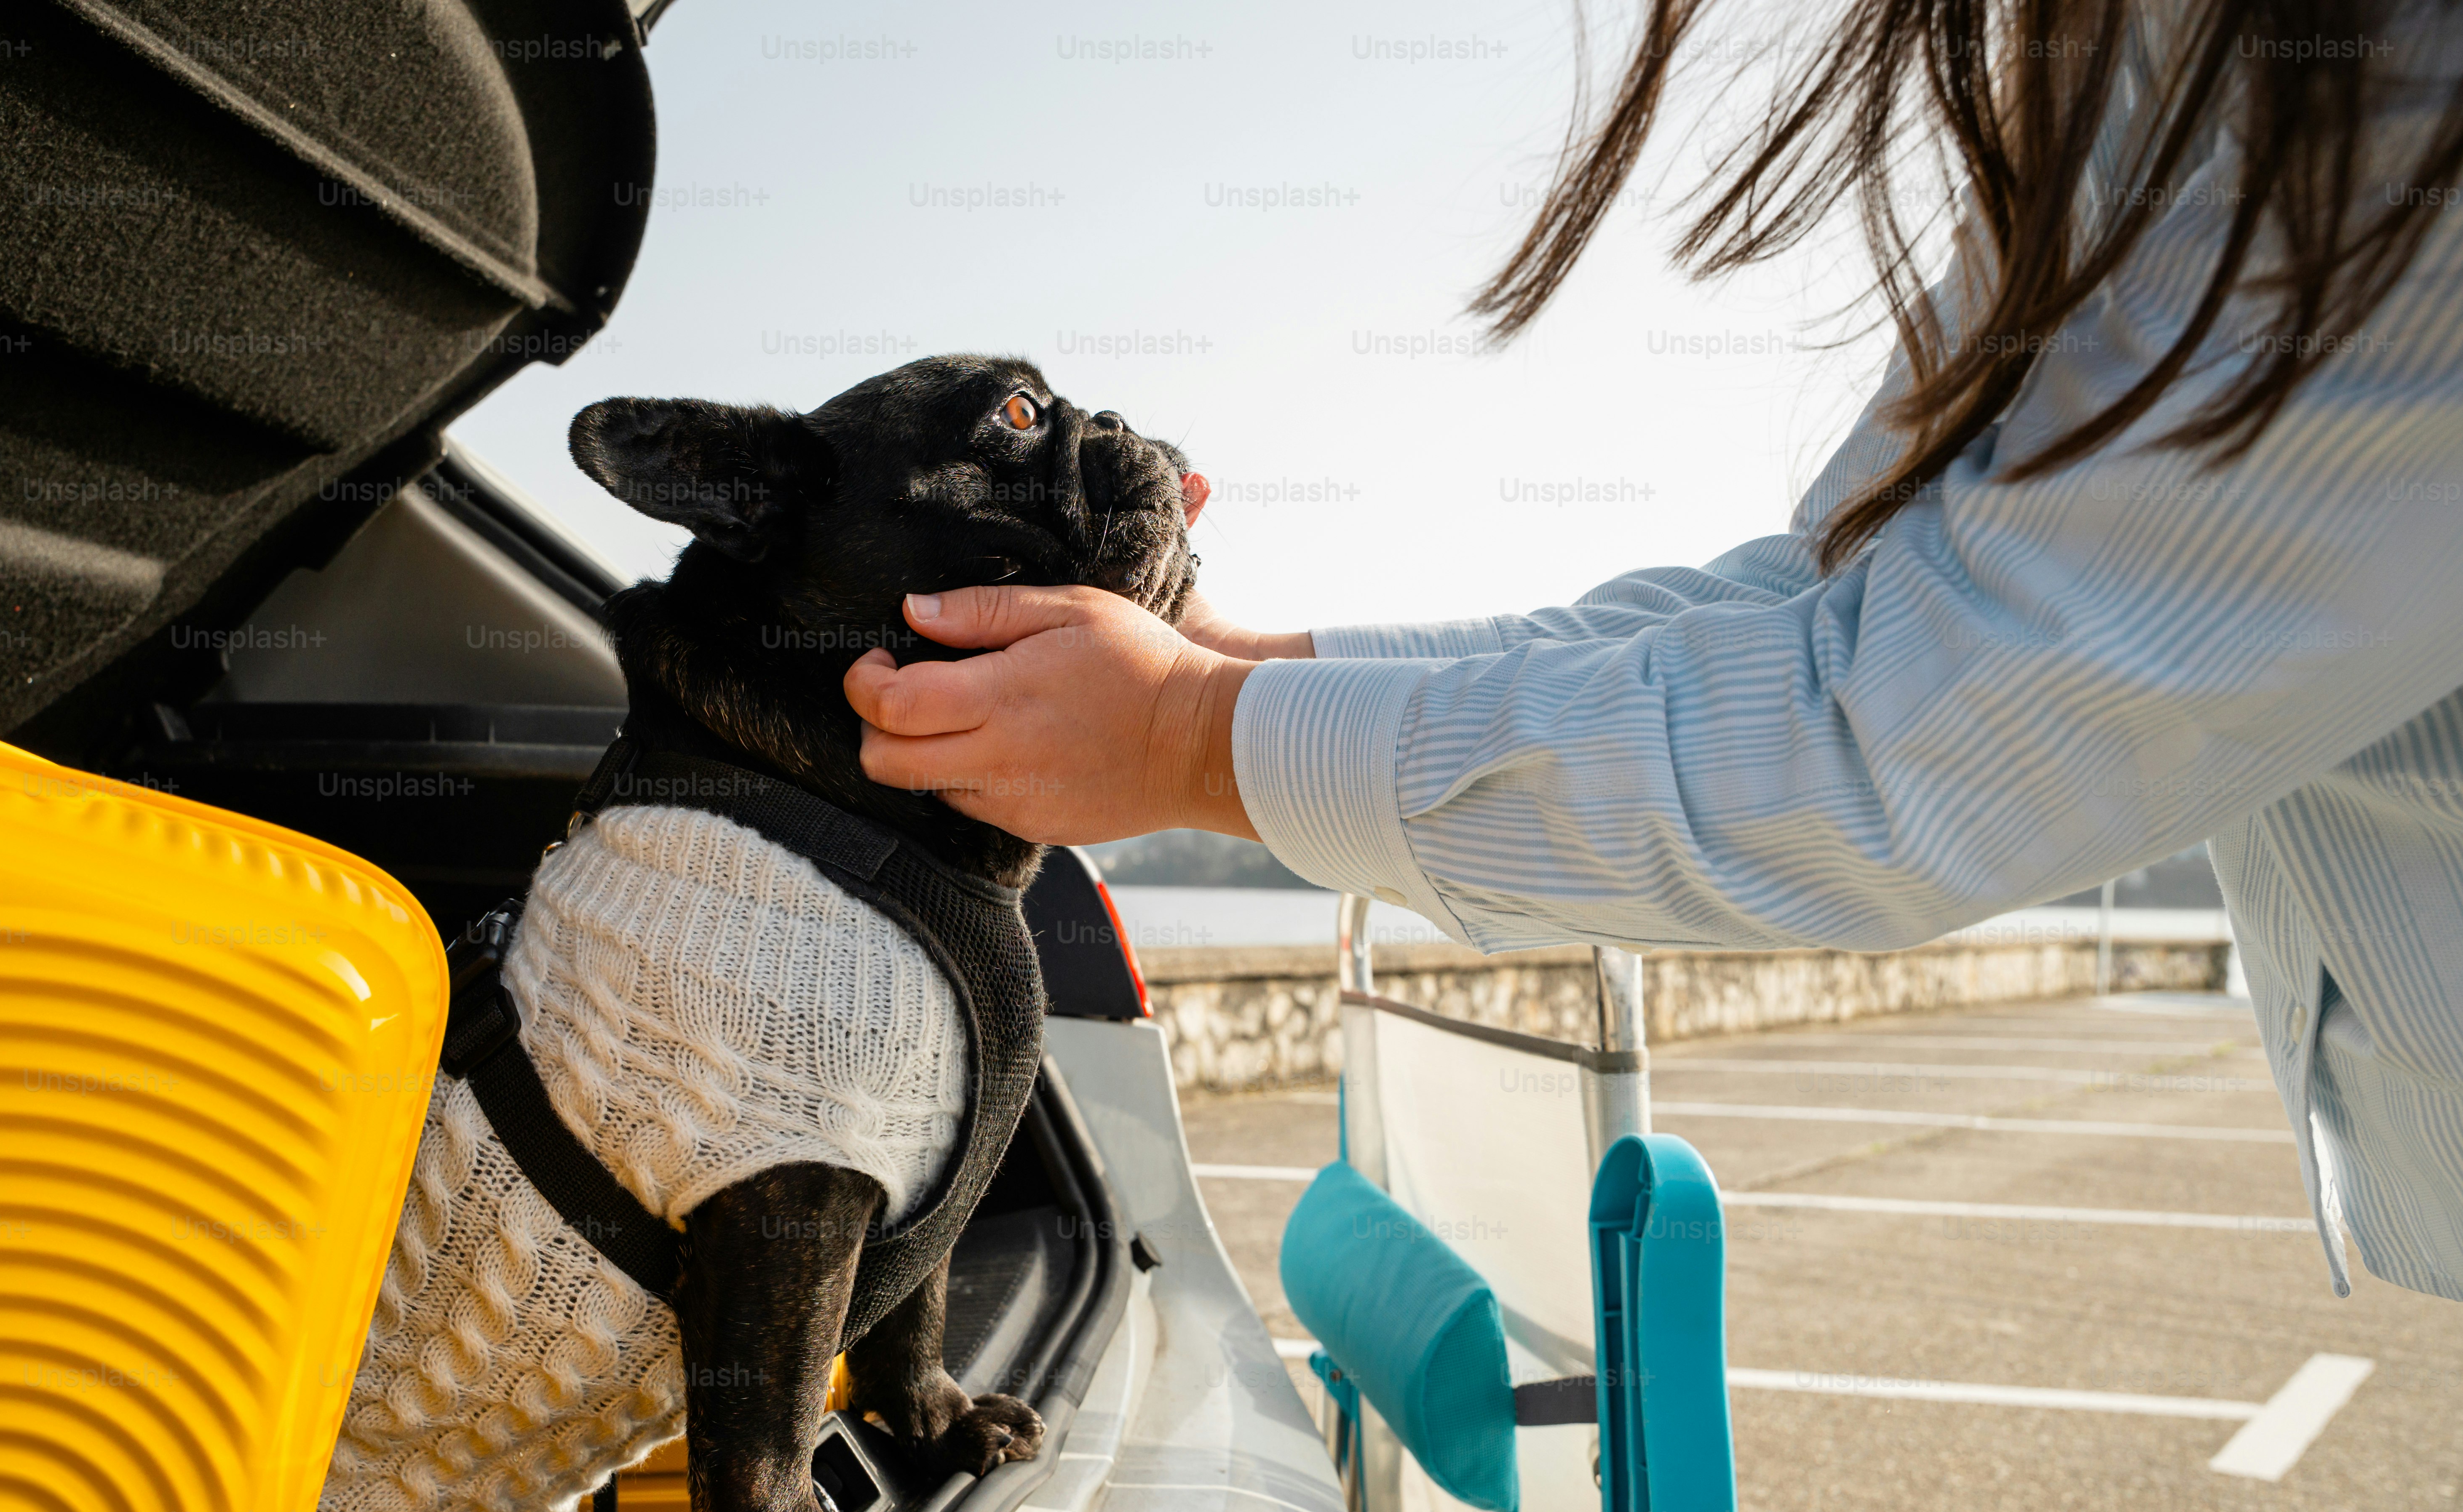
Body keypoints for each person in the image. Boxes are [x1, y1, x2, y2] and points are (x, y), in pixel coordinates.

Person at [842, 0, 2463, 1303]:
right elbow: (1846, 595)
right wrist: (1257, 675)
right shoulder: (2167, 64)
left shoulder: (2398, 105)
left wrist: (1205, 740)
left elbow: (1897, 745)